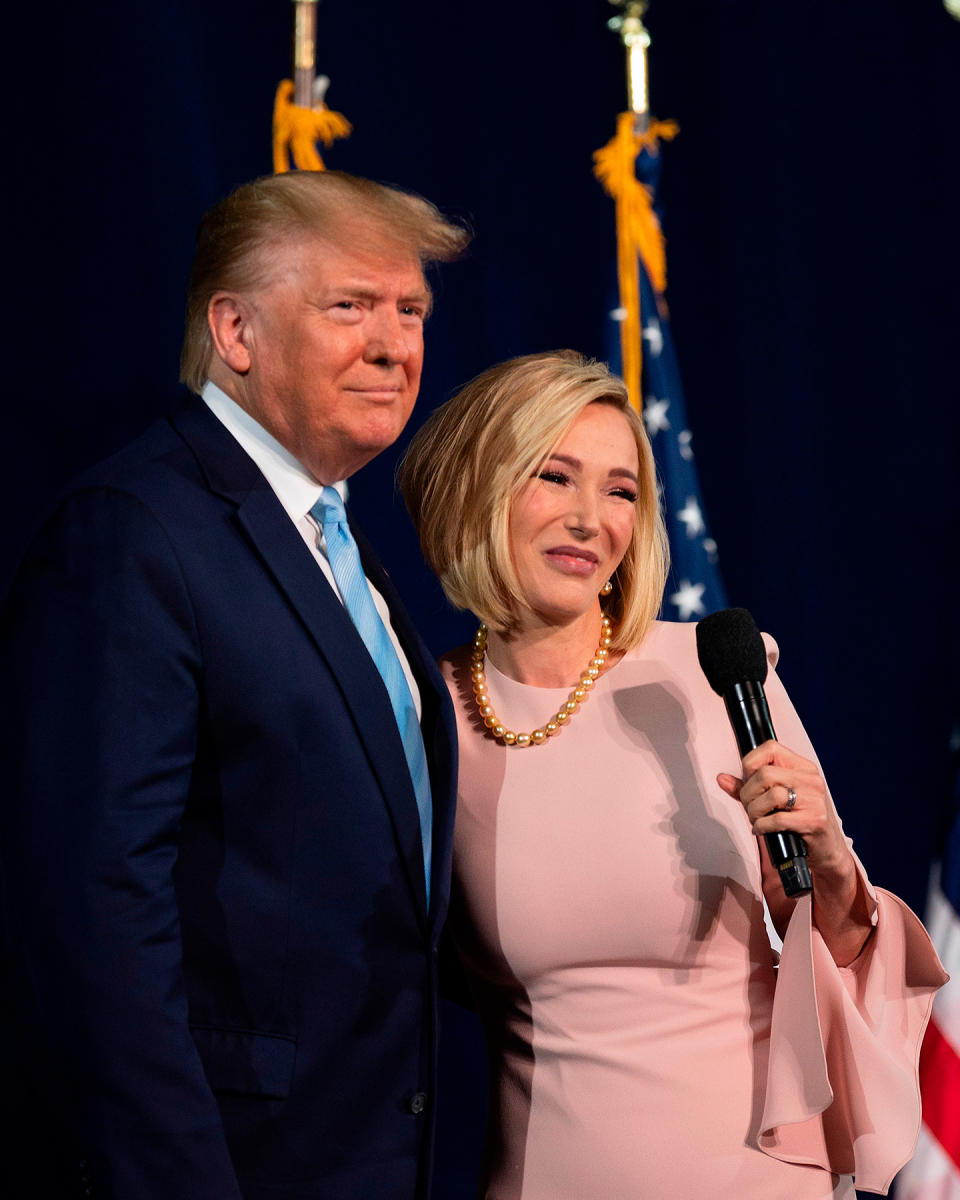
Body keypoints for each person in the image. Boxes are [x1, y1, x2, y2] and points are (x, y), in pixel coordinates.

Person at [0, 170, 468, 1199]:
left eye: (411, 311)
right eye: (350, 306)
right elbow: (96, 916)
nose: (395, 345)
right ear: (237, 331)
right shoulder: (135, 534)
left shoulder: (338, 547)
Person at [399, 349, 948, 1199]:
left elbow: (840, 950)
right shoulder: (424, 716)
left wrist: (832, 870)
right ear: (479, 486)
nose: (592, 519)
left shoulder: (716, 673)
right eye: (556, 477)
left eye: (621, 490)